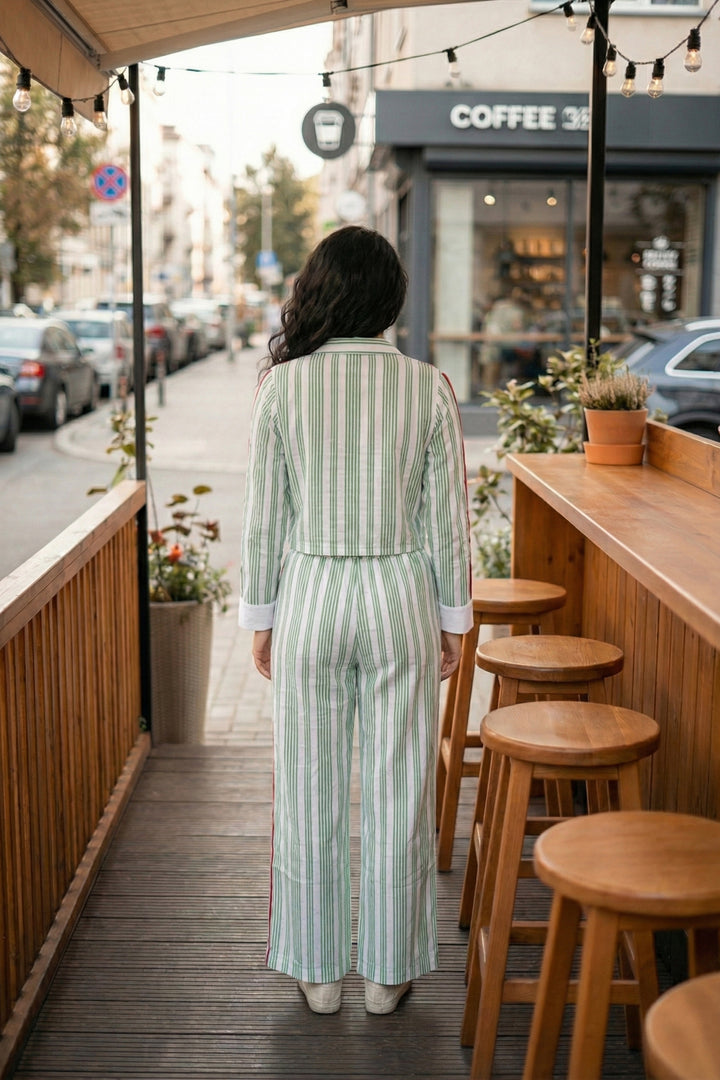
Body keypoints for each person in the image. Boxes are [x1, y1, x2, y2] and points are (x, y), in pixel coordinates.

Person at [239, 225, 472, 1017]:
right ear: (390, 298)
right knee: (403, 783)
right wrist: (453, 620)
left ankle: (318, 972)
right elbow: (448, 521)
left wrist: (262, 618)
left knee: (307, 785)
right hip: (399, 590)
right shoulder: (428, 385)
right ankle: (387, 973)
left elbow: (264, 518)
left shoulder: (282, 386)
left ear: (318, 291)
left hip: (310, 591)